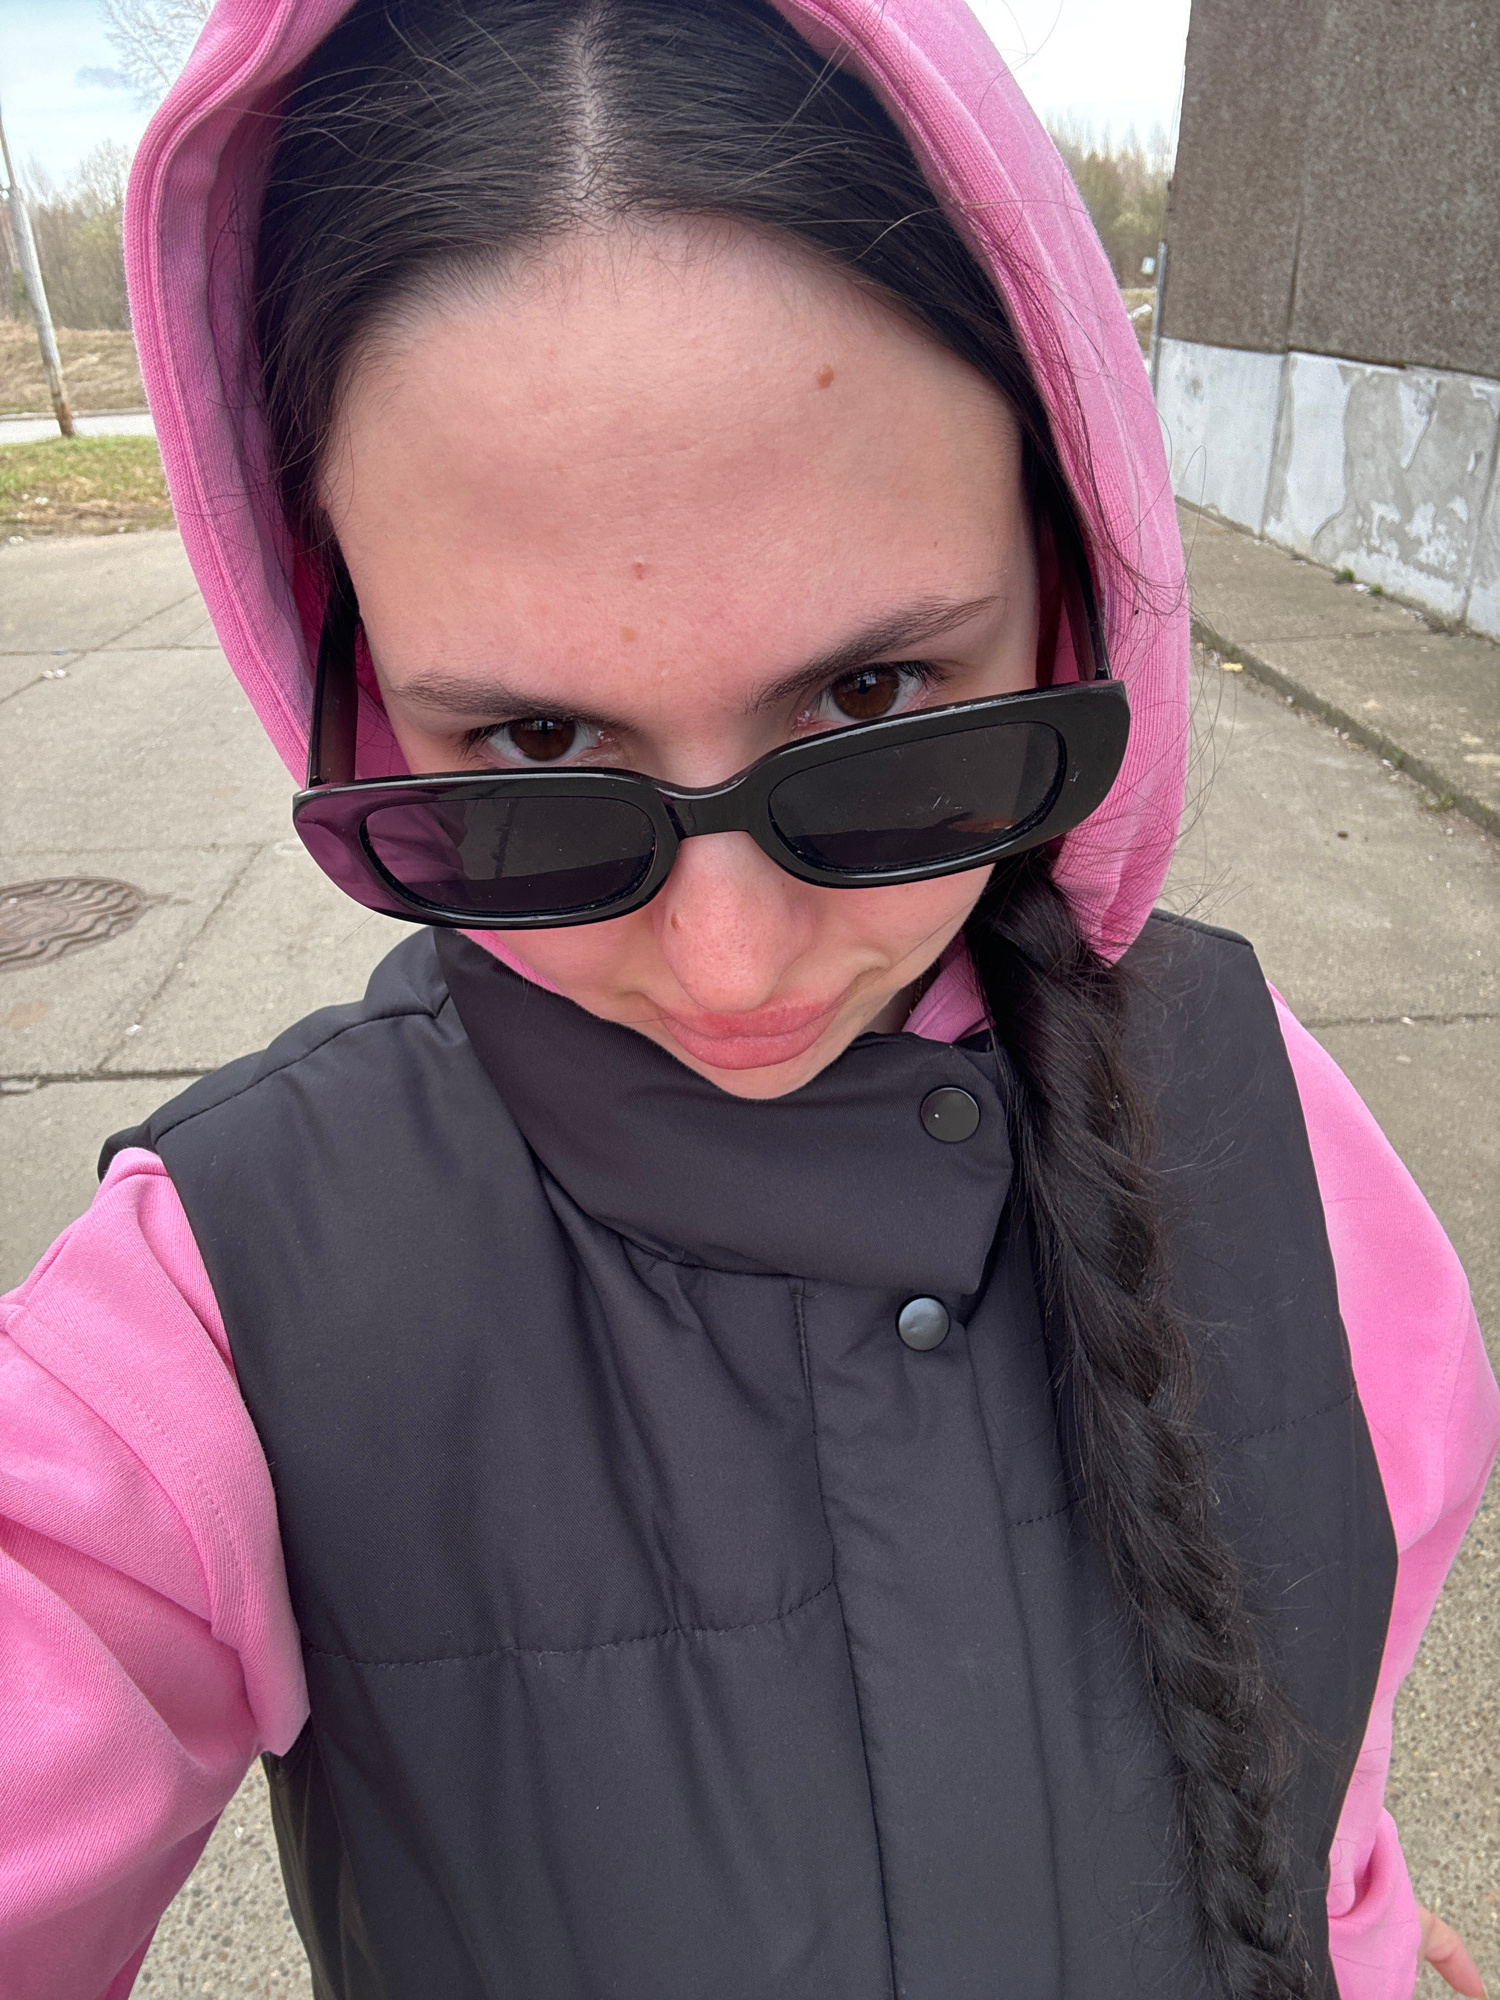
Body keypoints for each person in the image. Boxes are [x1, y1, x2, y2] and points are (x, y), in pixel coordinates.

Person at [2, 0, 1495, 1995]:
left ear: (1072, 586)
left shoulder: (1273, 1123)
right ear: (345, 679)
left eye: (873, 701)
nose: (729, 959)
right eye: (534, 747)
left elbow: (1333, 1778)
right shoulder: (212, 1315)